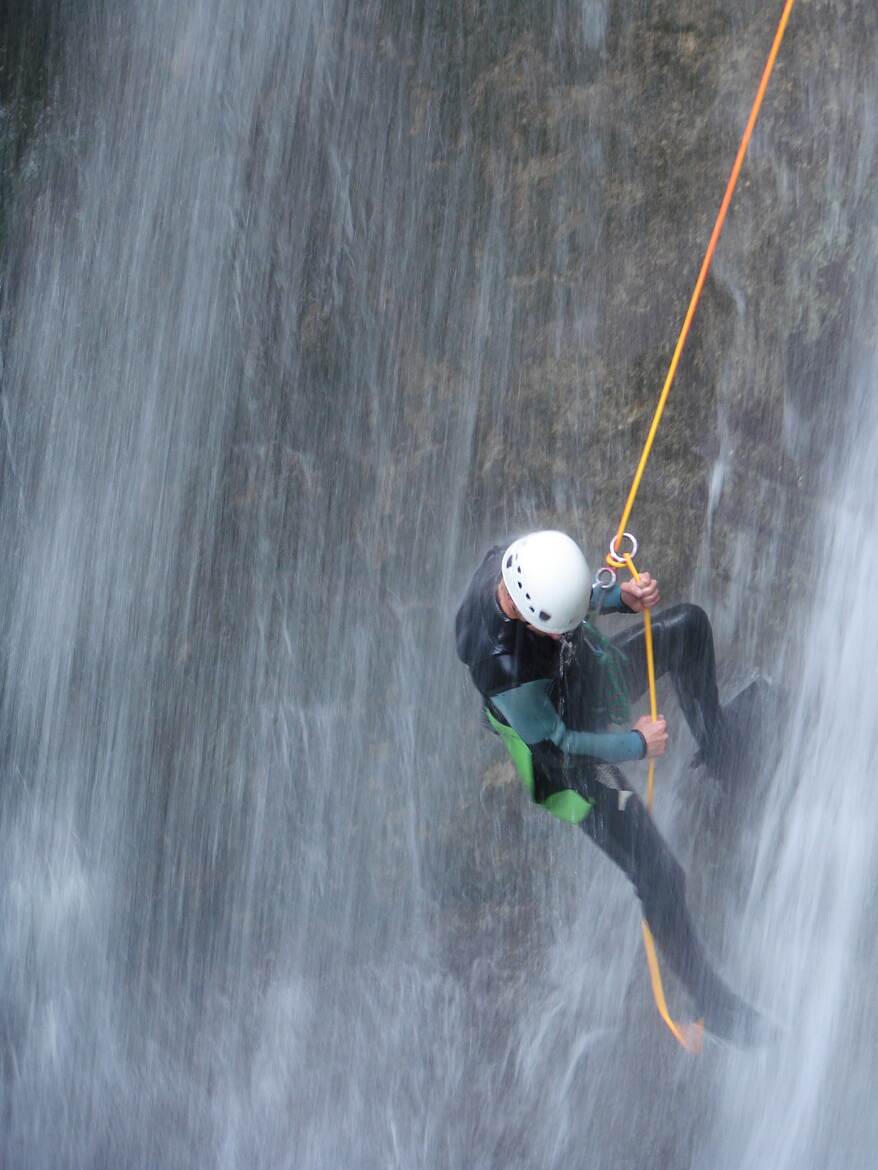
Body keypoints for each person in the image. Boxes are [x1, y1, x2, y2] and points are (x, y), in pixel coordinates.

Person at [455, 529, 765, 1045]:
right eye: (558, 628)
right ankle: (714, 1004)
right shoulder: (501, 668)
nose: (565, 631)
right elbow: (558, 742)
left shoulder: (518, 561)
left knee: (688, 627)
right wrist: (634, 745)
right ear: (529, 617)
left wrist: (617, 598)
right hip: (563, 760)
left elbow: (571, 599)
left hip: (582, 677)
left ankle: (721, 755)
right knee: (659, 873)